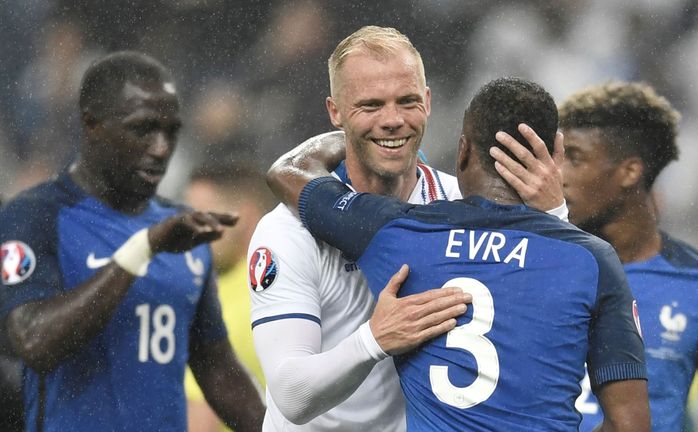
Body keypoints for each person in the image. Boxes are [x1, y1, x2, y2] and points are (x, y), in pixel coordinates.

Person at [267, 77, 651, 431]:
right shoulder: (591, 260)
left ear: (463, 151)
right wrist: (557, 217)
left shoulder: (399, 233)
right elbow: (629, 424)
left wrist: (357, 135)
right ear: (556, 156)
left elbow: (289, 171)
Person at [248, 26, 567, 431]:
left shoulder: (462, 205)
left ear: (429, 101)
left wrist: (555, 214)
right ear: (335, 112)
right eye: (370, 105)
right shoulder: (287, 230)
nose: (393, 120)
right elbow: (291, 396)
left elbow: (548, 305)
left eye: (407, 101)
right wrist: (375, 339)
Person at [0, 51, 265, 431]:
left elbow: (217, 370)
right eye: (143, 129)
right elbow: (34, 341)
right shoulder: (34, 217)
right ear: (91, 124)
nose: (161, 148)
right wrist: (142, 250)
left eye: (171, 131)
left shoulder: (180, 231)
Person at [493, 81, 698, 431]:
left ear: (630, 172)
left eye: (575, 158)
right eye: (557, 157)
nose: (558, 175)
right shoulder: (521, 265)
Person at [184, 163, 276, 432]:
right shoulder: (294, 282)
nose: (191, 230)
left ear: (244, 216)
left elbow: (200, 422)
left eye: (201, 217)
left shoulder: (222, 307)